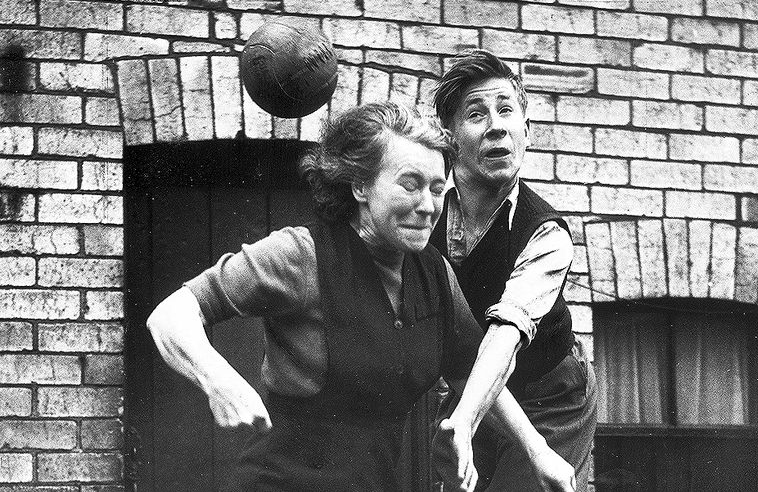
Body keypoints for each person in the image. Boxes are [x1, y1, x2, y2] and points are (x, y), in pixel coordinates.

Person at [146, 101, 575, 492]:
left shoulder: (434, 273)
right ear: (359, 187)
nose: (427, 205)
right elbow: (170, 316)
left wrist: (537, 451)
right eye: (409, 184)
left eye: (437, 188)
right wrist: (217, 380)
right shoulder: (299, 255)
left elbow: (473, 370)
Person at [429, 50, 598, 492]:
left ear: (528, 131)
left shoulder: (546, 234)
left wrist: (464, 419)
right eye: (476, 114)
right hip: (473, 387)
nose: (496, 125)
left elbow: (503, 337)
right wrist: (463, 417)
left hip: (551, 396)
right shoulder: (424, 213)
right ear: (449, 138)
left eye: (507, 110)